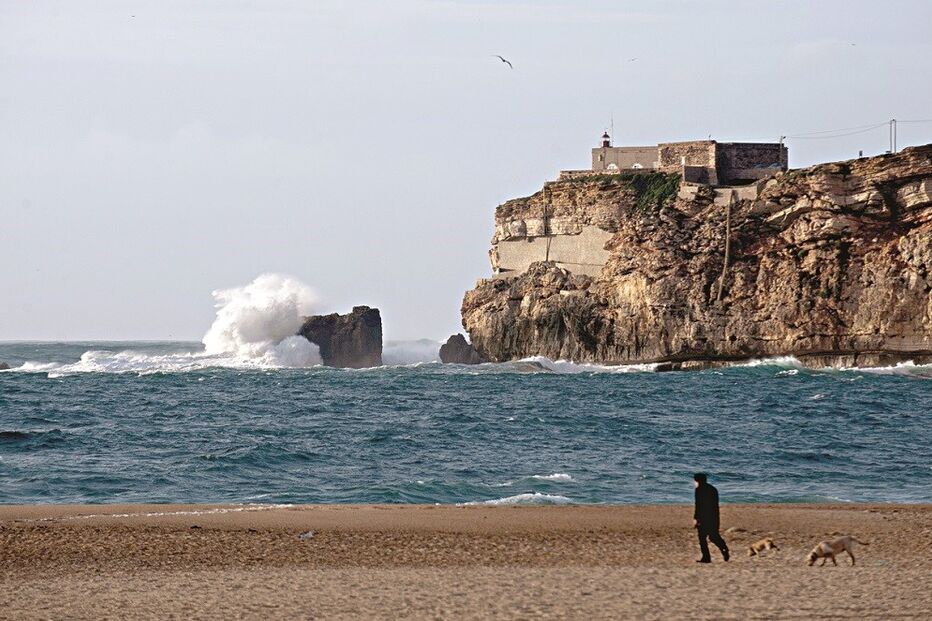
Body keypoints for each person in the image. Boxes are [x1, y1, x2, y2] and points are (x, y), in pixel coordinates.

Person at [693, 472, 729, 563]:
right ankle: (724, 549)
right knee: (713, 536)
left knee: (702, 538)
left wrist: (696, 518)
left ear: (698, 481)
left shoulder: (699, 490)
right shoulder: (713, 489)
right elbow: (715, 505)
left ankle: (706, 558)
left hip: (704, 517)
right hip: (714, 517)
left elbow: (699, 505)